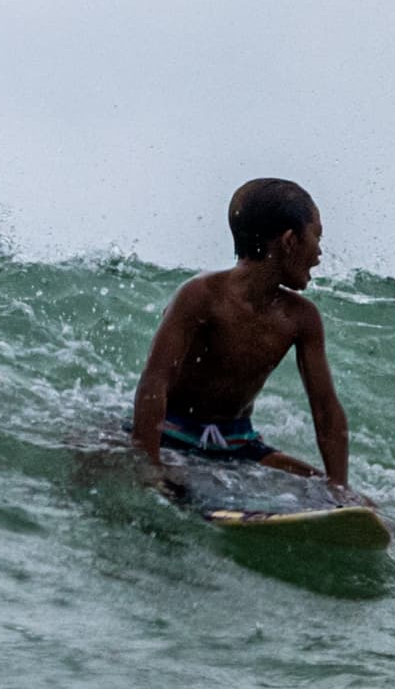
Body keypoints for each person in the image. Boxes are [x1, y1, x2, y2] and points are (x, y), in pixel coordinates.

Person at [128, 178, 353, 492]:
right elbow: (155, 382)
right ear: (290, 240)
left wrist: (338, 489)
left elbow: (326, 410)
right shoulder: (200, 295)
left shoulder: (301, 318)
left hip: (237, 443)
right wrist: (149, 466)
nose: (319, 253)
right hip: (172, 431)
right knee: (177, 493)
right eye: (316, 236)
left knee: (330, 495)